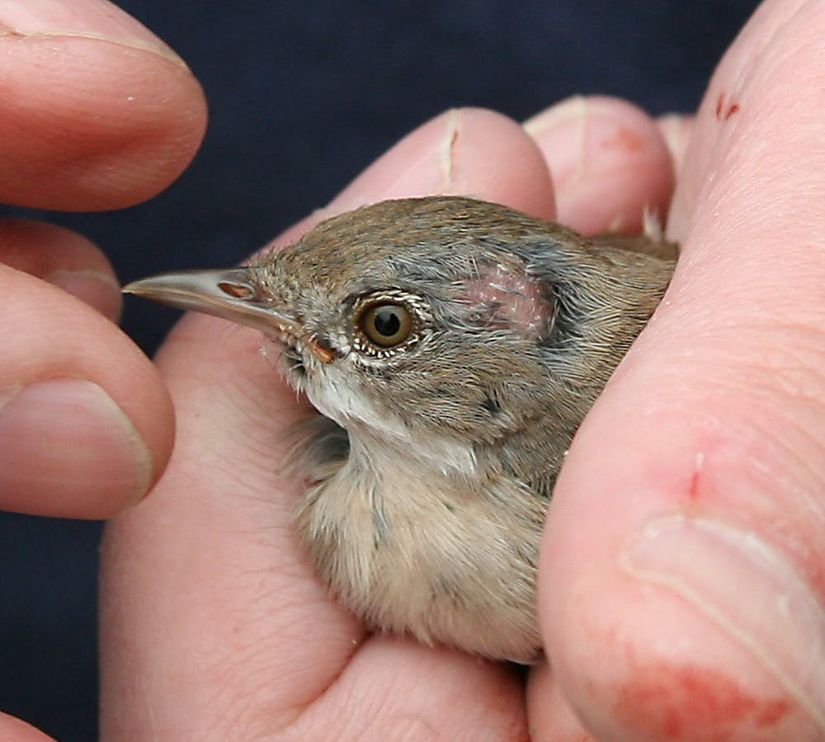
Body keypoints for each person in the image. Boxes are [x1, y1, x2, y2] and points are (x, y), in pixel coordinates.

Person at [1, 0, 822, 738]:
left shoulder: (619, 455)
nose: (264, 319)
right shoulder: (347, 509)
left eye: (383, 326)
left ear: (516, 341)